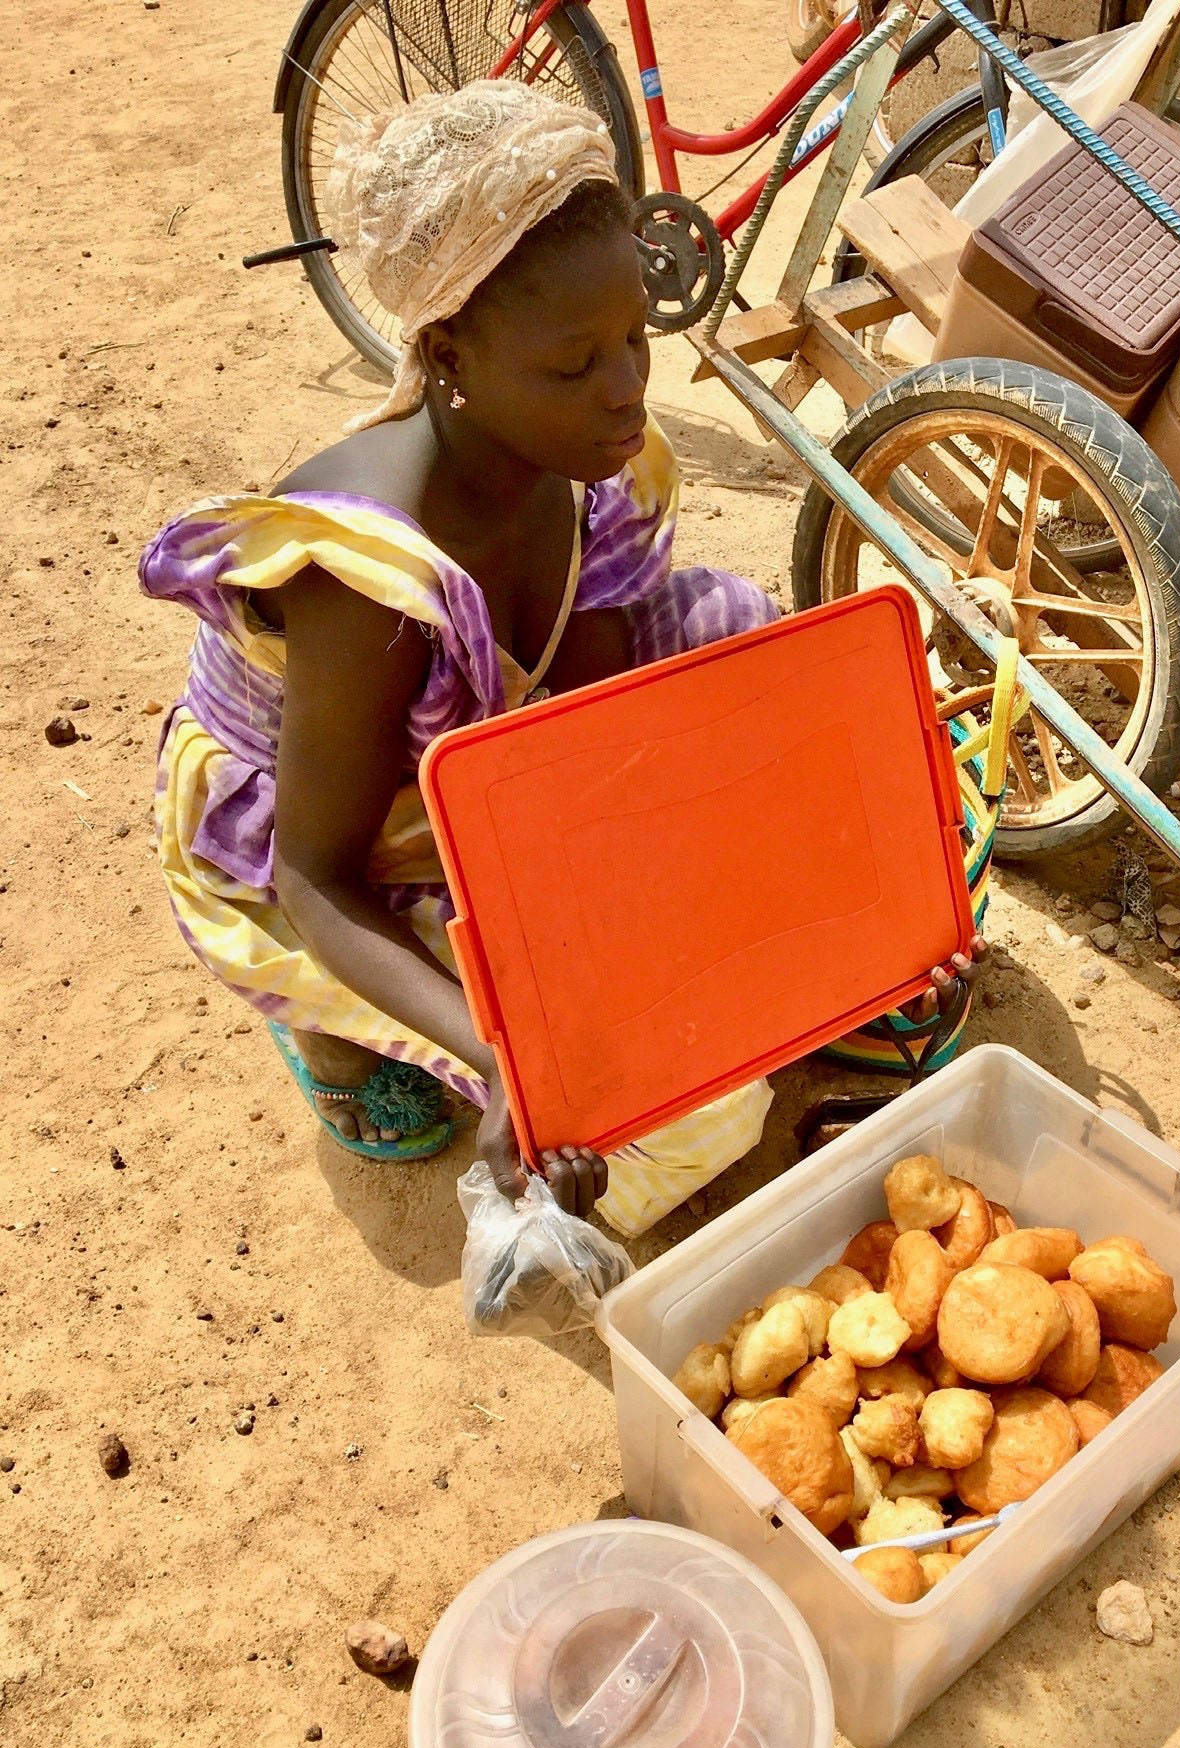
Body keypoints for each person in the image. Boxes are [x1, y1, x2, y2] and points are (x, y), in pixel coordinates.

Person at [143, 79, 979, 1238]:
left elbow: (588, 734)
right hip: (325, 818)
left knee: (743, 663)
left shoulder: (598, 475)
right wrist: (511, 1055)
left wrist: (841, 917)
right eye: (571, 363)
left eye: (634, 336)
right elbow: (315, 874)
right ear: (450, 358)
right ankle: (332, 1041)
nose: (629, 387)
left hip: (484, 754)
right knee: (515, 1050)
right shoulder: (363, 578)